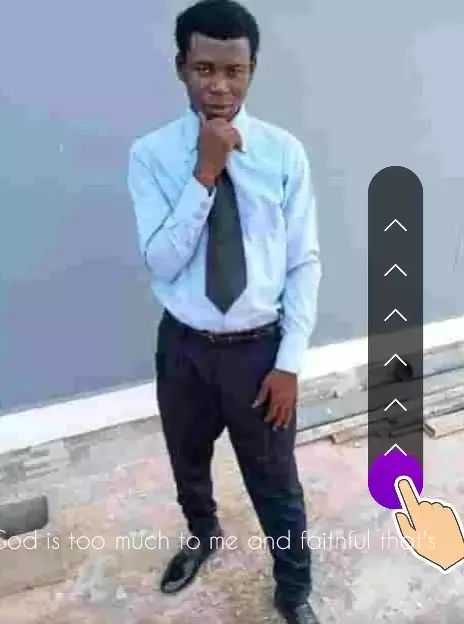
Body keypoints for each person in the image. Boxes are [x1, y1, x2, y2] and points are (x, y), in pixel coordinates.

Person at [127, 1, 322, 622]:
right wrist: (204, 175)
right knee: (188, 459)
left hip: (258, 352)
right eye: (204, 68)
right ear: (181, 67)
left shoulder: (284, 153)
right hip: (184, 346)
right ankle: (203, 533)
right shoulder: (151, 155)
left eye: (234, 71)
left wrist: (289, 363)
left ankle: (294, 589)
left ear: (251, 70)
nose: (219, 85)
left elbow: (303, 262)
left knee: (276, 482)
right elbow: (162, 262)